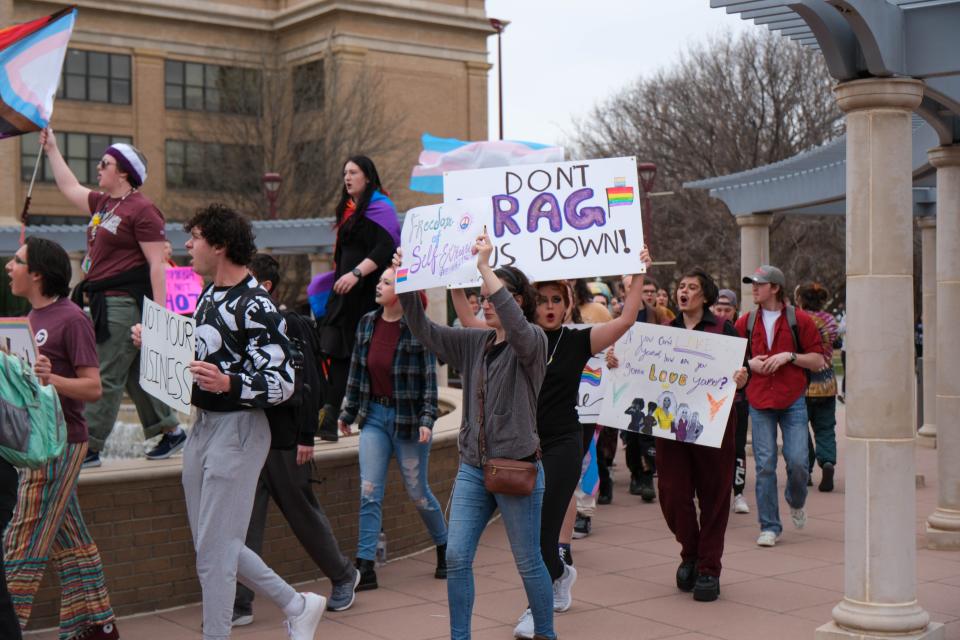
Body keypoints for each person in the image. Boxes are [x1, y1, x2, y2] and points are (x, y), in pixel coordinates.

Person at [133, 205, 325, 640]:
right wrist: (159, 339)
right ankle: (298, 605)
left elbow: (284, 382)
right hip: (205, 428)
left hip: (238, 430)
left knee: (213, 556)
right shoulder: (211, 295)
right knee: (213, 546)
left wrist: (229, 382)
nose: (188, 245)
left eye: (195, 236)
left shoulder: (257, 305)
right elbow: (204, 348)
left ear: (218, 245)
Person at [453, 247, 651, 634]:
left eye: (556, 300)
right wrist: (455, 275)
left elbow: (627, 318)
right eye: (541, 300)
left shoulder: (578, 340)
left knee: (542, 534)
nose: (549, 307)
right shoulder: (509, 337)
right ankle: (559, 575)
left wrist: (637, 271)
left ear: (567, 305)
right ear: (528, 304)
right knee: (532, 540)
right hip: (518, 447)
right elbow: (464, 318)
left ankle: (535, 609)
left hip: (560, 444)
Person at [395, 234, 555, 640]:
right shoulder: (475, 343)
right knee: (457, 554)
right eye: (481, 297)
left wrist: (485, 267)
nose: (483, 303)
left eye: (488, 296)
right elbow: (423, 329)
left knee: (529, 561)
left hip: (516, 467)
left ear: (516, 300)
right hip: (472, 467)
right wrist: (408, 279)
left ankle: (546, 634)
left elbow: (518, 330)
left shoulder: (532, 342)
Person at [37, 128, 182, 467]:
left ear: (123, 173)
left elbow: (157, 264)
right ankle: (171, 430)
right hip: (103, 301)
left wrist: (157, 319)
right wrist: (53, 149)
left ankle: (90, 445)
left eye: (104, 163)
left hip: (122, 303)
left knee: (104, 373)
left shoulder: (143, 210)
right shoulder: (104, 203)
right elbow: (69, 187)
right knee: (129, 371)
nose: (98, 168)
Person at [231, 254, 360, 627]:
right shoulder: (239, 324)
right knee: (242, 524)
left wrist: (307, 435)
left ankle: (342, 575)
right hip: (250, 439)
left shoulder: (288, 323)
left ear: (264, 286)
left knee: (302, 515)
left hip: (285, 441)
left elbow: (309, 383)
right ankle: (240, 602)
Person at [4, 237, 119, 639]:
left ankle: (9, 624)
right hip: (33, 442)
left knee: (22, 536)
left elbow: (93, 388)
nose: (9, 267)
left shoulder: (71, 319)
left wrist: (50, 379)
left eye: (17, 261)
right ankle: (95, 625)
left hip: (61, 442)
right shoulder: (25, 321)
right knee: (70, 536)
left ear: (36, 273)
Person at [338, 267, 448, 591]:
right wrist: (348, 412)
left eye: (386, 282)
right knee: (369, 492)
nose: (378, 285)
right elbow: (357, 373)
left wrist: (427, 420)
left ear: (403, 292)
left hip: (409, 422)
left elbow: (430, 383)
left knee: (417, 492)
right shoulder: (367, 324)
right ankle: (366, 566)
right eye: (380, 280)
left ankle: (445, 547)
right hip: (374, 417)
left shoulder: (419, 328)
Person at [657, 269, 747, 601]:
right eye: (681, 286)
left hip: (714, 424)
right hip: (671, 427)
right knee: (672, 492)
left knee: (714, 495)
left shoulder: (724, 330)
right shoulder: (665, 332)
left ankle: (709, 568)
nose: (684, 292)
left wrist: (742, 378)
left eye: (692, 288)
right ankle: (690, 553)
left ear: (705, 296)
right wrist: (615, 362)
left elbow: (743, 372)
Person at [736, 265, 826, 548]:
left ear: (775, 287)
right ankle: (770, 526)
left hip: (792, 399)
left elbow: (818, 360)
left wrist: (789, 356)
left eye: (759, 284)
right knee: (764, 465)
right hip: (759, 399)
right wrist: (749, 364)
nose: (754, 288)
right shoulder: (745, 322)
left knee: (798, 462)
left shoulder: (800, 320)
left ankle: (796, 501)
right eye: (752, 283)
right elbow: (730, 357)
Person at [315, 156, 400, 442]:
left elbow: (387, 246)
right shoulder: (349, 210)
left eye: (353, 172)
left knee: (360, 355)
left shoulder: (381, 207)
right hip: (344, 296)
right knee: (337, 352)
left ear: (368, 176)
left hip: (366, 295)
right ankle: (329, 418)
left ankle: (362, 413)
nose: (347, 177)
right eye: (345, 173)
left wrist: (356, 273)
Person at [795, 283, 840, 492]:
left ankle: (806, 472)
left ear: (801, 300)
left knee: (799, 430)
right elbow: (835, 343)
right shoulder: (830, 320)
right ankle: (828, 461)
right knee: (825, 428)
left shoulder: (797, 319)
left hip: (801, 383)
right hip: (826, 383)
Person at [712, 289, 750, 515]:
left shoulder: (738, 333)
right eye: (719, 309)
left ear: (735, 311)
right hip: (711, 403)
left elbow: (748, 366)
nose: (723, 314)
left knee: (737, 448)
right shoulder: (706, 331)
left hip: (737, 401)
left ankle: (738, 493)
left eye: (728, 309)